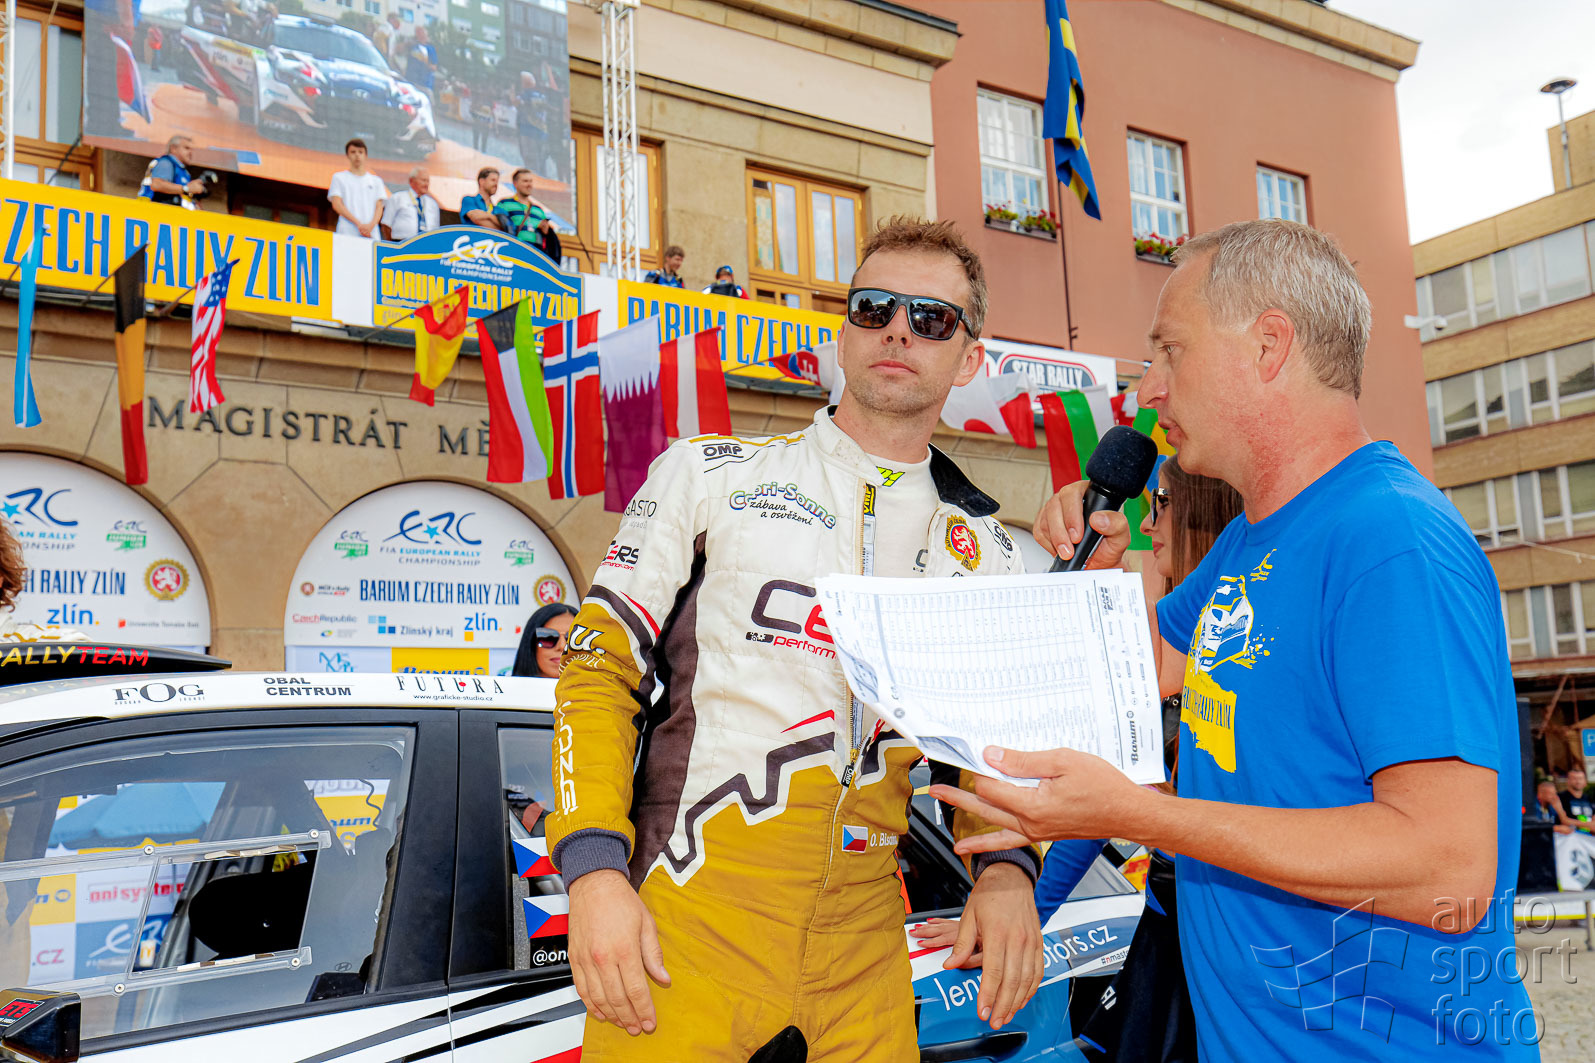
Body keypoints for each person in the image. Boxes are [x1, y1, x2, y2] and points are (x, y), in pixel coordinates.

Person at [937, 219, 1537, 1059]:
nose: (1148, 389)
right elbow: (1138, 672)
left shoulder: (1390, 540)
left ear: (1267, 345)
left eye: (1169, 350)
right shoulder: (1248, 541)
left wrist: (1142, 815)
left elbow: (1448, 868)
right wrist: (1103, 573)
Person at [548, 217, 1044, 1060]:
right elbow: (597, 669)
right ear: (842, 334)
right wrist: (592, 872)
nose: (897, 330)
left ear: (969, 358)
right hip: (685, 928)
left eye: (931, 319)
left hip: (864, 958)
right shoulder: (709, 473)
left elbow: (992, 745)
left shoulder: (987, 551)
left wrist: (1004, 871)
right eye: (873, 307)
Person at [327, 139, 388, 239]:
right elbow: (337, 204)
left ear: (365, 155)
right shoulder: (339, 178)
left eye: (360, 152)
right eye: (353, 152)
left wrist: (370, 226)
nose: (357, 155)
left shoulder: (376, 181)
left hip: (371, 233)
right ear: (347, 155)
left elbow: (379, 207)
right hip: (347, 231)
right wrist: (358, 224)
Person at [512, 603, 578, 679]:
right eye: (548, 638)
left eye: (573, 639)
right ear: (531, 644)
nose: (562, 646)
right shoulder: (506, 686)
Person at [140, 135, 207, 207]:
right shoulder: (166, 163)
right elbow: (156, 185)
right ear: (174, 148)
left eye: (191, 149)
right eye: (186, 148)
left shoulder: (182, 170)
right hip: (152, 210)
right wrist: (187, 188)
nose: (190, 152)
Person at [380, 166, 439, 241]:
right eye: (423, 180)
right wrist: (393, 244)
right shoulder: (397, 198)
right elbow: (386, 224)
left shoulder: (433, 204)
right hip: (401, 243)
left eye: (428, 181)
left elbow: (436, 231)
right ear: (411, 181)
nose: (426, 184)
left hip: (426, 244)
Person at [404, 26, 436, 100]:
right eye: (418, 33)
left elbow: (434, 67)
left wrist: (425, 62)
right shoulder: (412, 46)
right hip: (410, 81)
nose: (420, 36)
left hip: (424, 84)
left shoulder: (430, 49)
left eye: (422, 34)